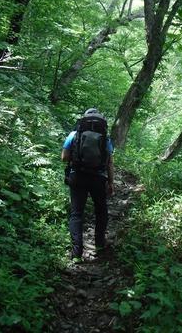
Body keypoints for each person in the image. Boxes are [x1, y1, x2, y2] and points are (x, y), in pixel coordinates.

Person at [61, 108, 114, 264]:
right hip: (98, 178)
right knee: (101, 210)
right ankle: (99, 245)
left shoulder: (74, 134)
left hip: (77, 176)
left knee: (77, 213)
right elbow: (110, 162)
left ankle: (77, 254)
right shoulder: (105, 138)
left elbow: (64, 157)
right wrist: (110, 182)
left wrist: (75, 158)